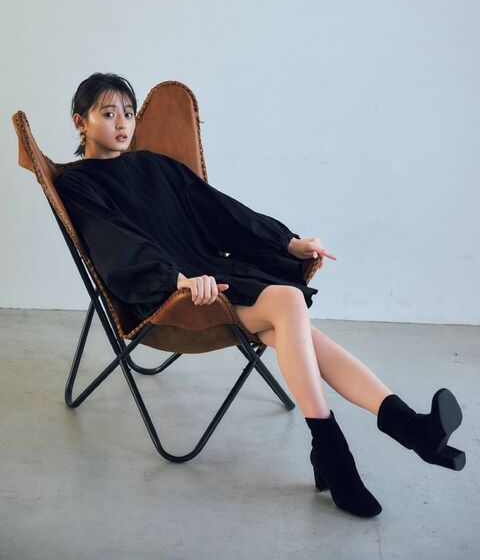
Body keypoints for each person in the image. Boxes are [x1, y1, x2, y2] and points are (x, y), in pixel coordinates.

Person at [54, 72, 466, 518]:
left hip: (213, 280)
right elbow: (115, 244)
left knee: (292, 321)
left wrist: (287, 243)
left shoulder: (154, 165)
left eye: (129, 113)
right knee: (289, 304)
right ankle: (361, 442)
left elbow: (219, 210)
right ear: (80, 121)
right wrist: (177, 280)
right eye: (108, 113)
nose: (122, 123)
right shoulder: (78, 185)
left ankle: (394, 433)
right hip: (168, 298)